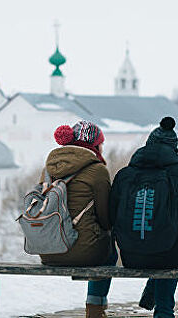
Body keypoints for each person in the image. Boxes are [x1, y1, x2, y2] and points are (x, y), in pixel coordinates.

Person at [109, 117, 178, 318]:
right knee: (169, 245)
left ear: (147, 145)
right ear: (174, 149)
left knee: (161, 242)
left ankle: (157, 302)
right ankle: (164, 311)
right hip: (172, 255)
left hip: (131, 254)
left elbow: (111, 218)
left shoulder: (125, 175)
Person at [40, 120, 115, 318]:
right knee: (109, 251)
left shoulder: (50, 167)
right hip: (85, 253)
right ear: (94, 145)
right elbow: (106, 219)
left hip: (49, 251)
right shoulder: (98, 171)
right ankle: (95, 308)